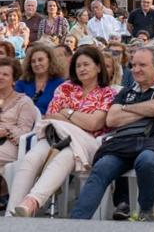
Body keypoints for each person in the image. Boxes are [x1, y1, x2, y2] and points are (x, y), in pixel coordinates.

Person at [70, 46, 154, 220]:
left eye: (142, 65)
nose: (136, 70)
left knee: (147, 160)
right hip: (124, 145)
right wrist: (147, 109)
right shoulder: (127, 91)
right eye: (133, 65)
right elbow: (111, 119)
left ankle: (145, 212)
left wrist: (128, 110)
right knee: (101, 168)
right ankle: (76, 223)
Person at [9, 46, 115, 217]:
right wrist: (78, 120)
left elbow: (95, 123)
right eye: (78, 66)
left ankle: (33, 201)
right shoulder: (66, 88)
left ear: (98, 67)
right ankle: (14, 212)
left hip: (86, 143)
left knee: (67, 155)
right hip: (56, 137)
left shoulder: (107, 93)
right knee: (30, 159)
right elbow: (52, 116)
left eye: (86, 64)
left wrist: (68, 112)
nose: (81, 69)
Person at [0, 58, 38, 210]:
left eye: (5, 74)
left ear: (14, 79)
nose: (0, 77)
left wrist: (6, 130)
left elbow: (25, 134)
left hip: (12, 144)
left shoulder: (24, 102)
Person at [15, 44, 65, 115]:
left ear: (50, 61)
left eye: (40, 60)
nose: (37, 64)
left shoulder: (60, 83)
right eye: (33, 61)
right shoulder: (22, 83)